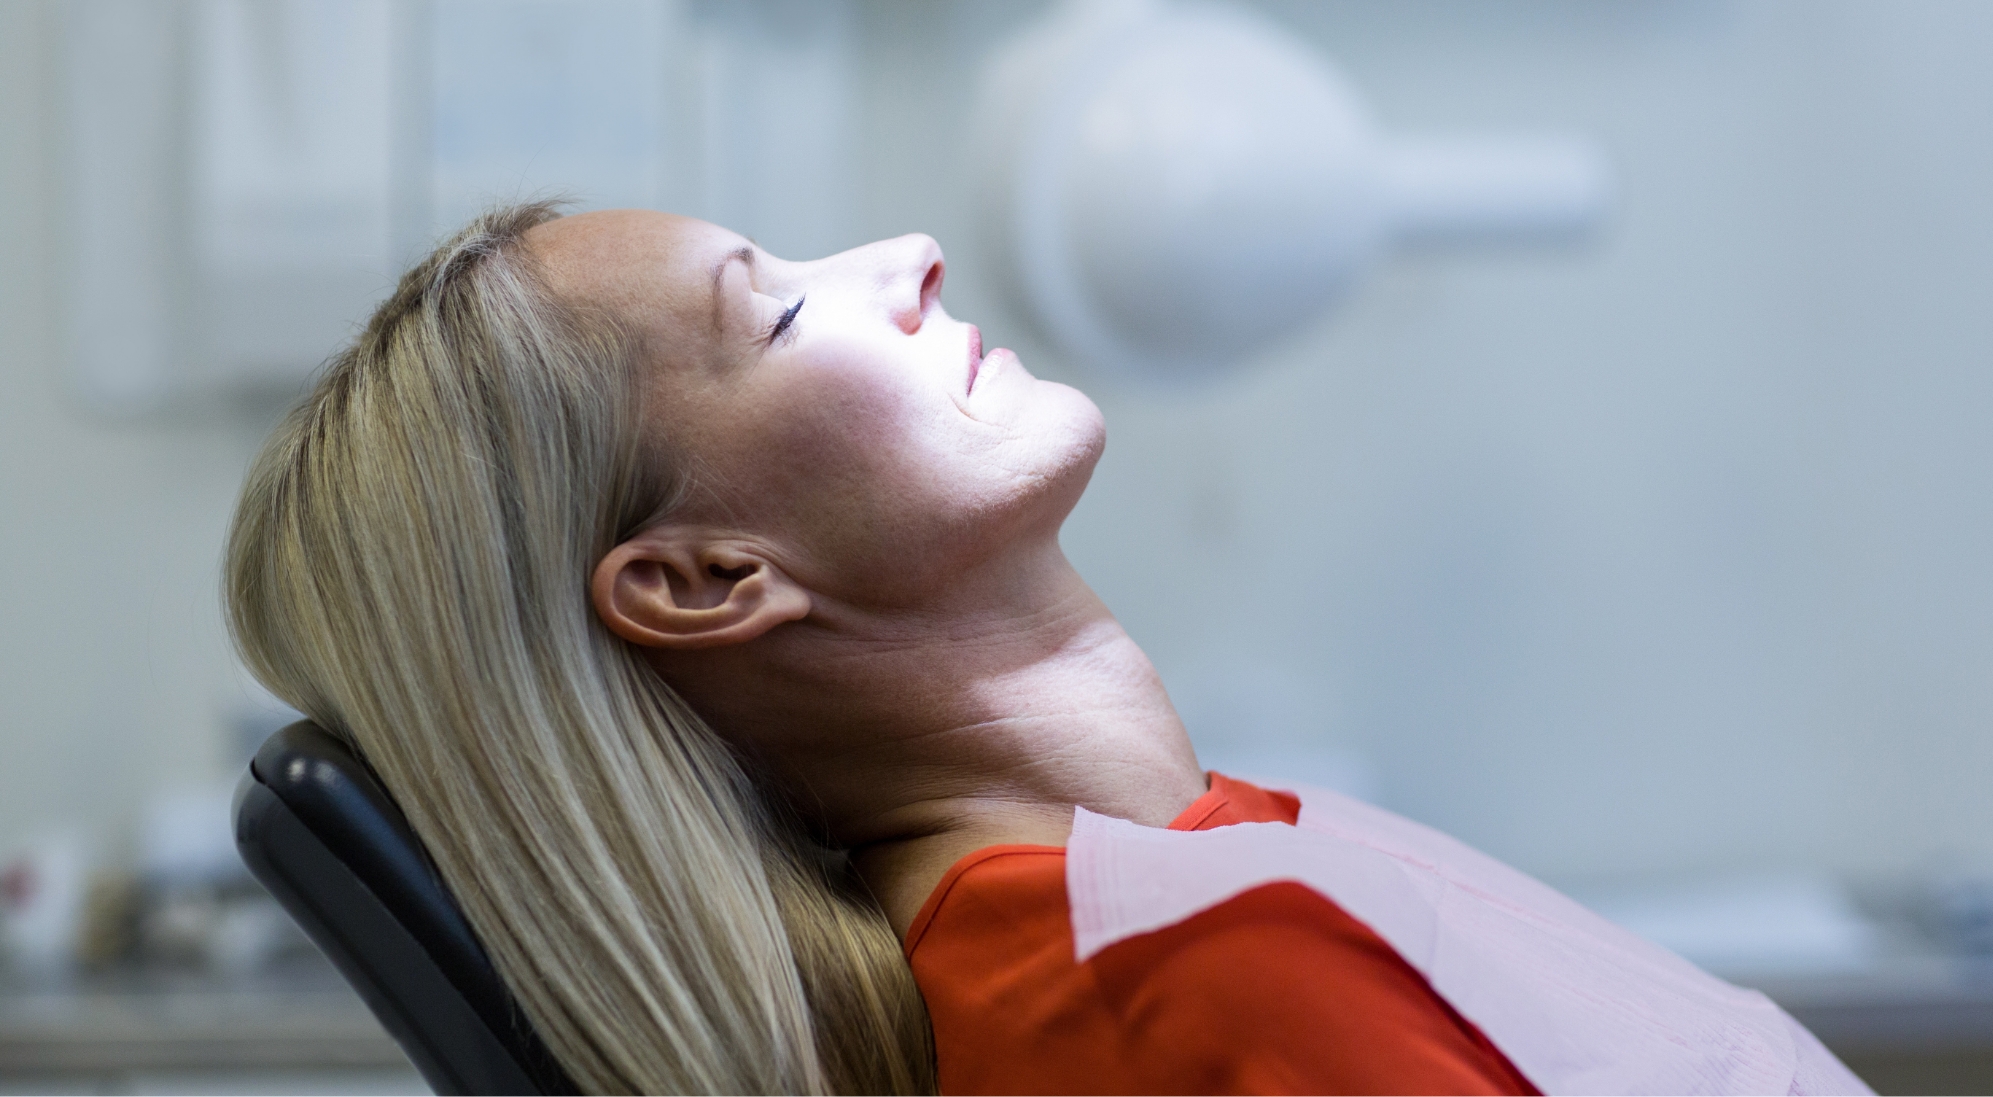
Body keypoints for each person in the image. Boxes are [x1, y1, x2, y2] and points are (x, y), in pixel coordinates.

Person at [225, 204, 1866, 1095]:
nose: (911, 253)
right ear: (712, 576)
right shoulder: (1154, 990)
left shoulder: (1174, 891)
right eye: (782, 311)